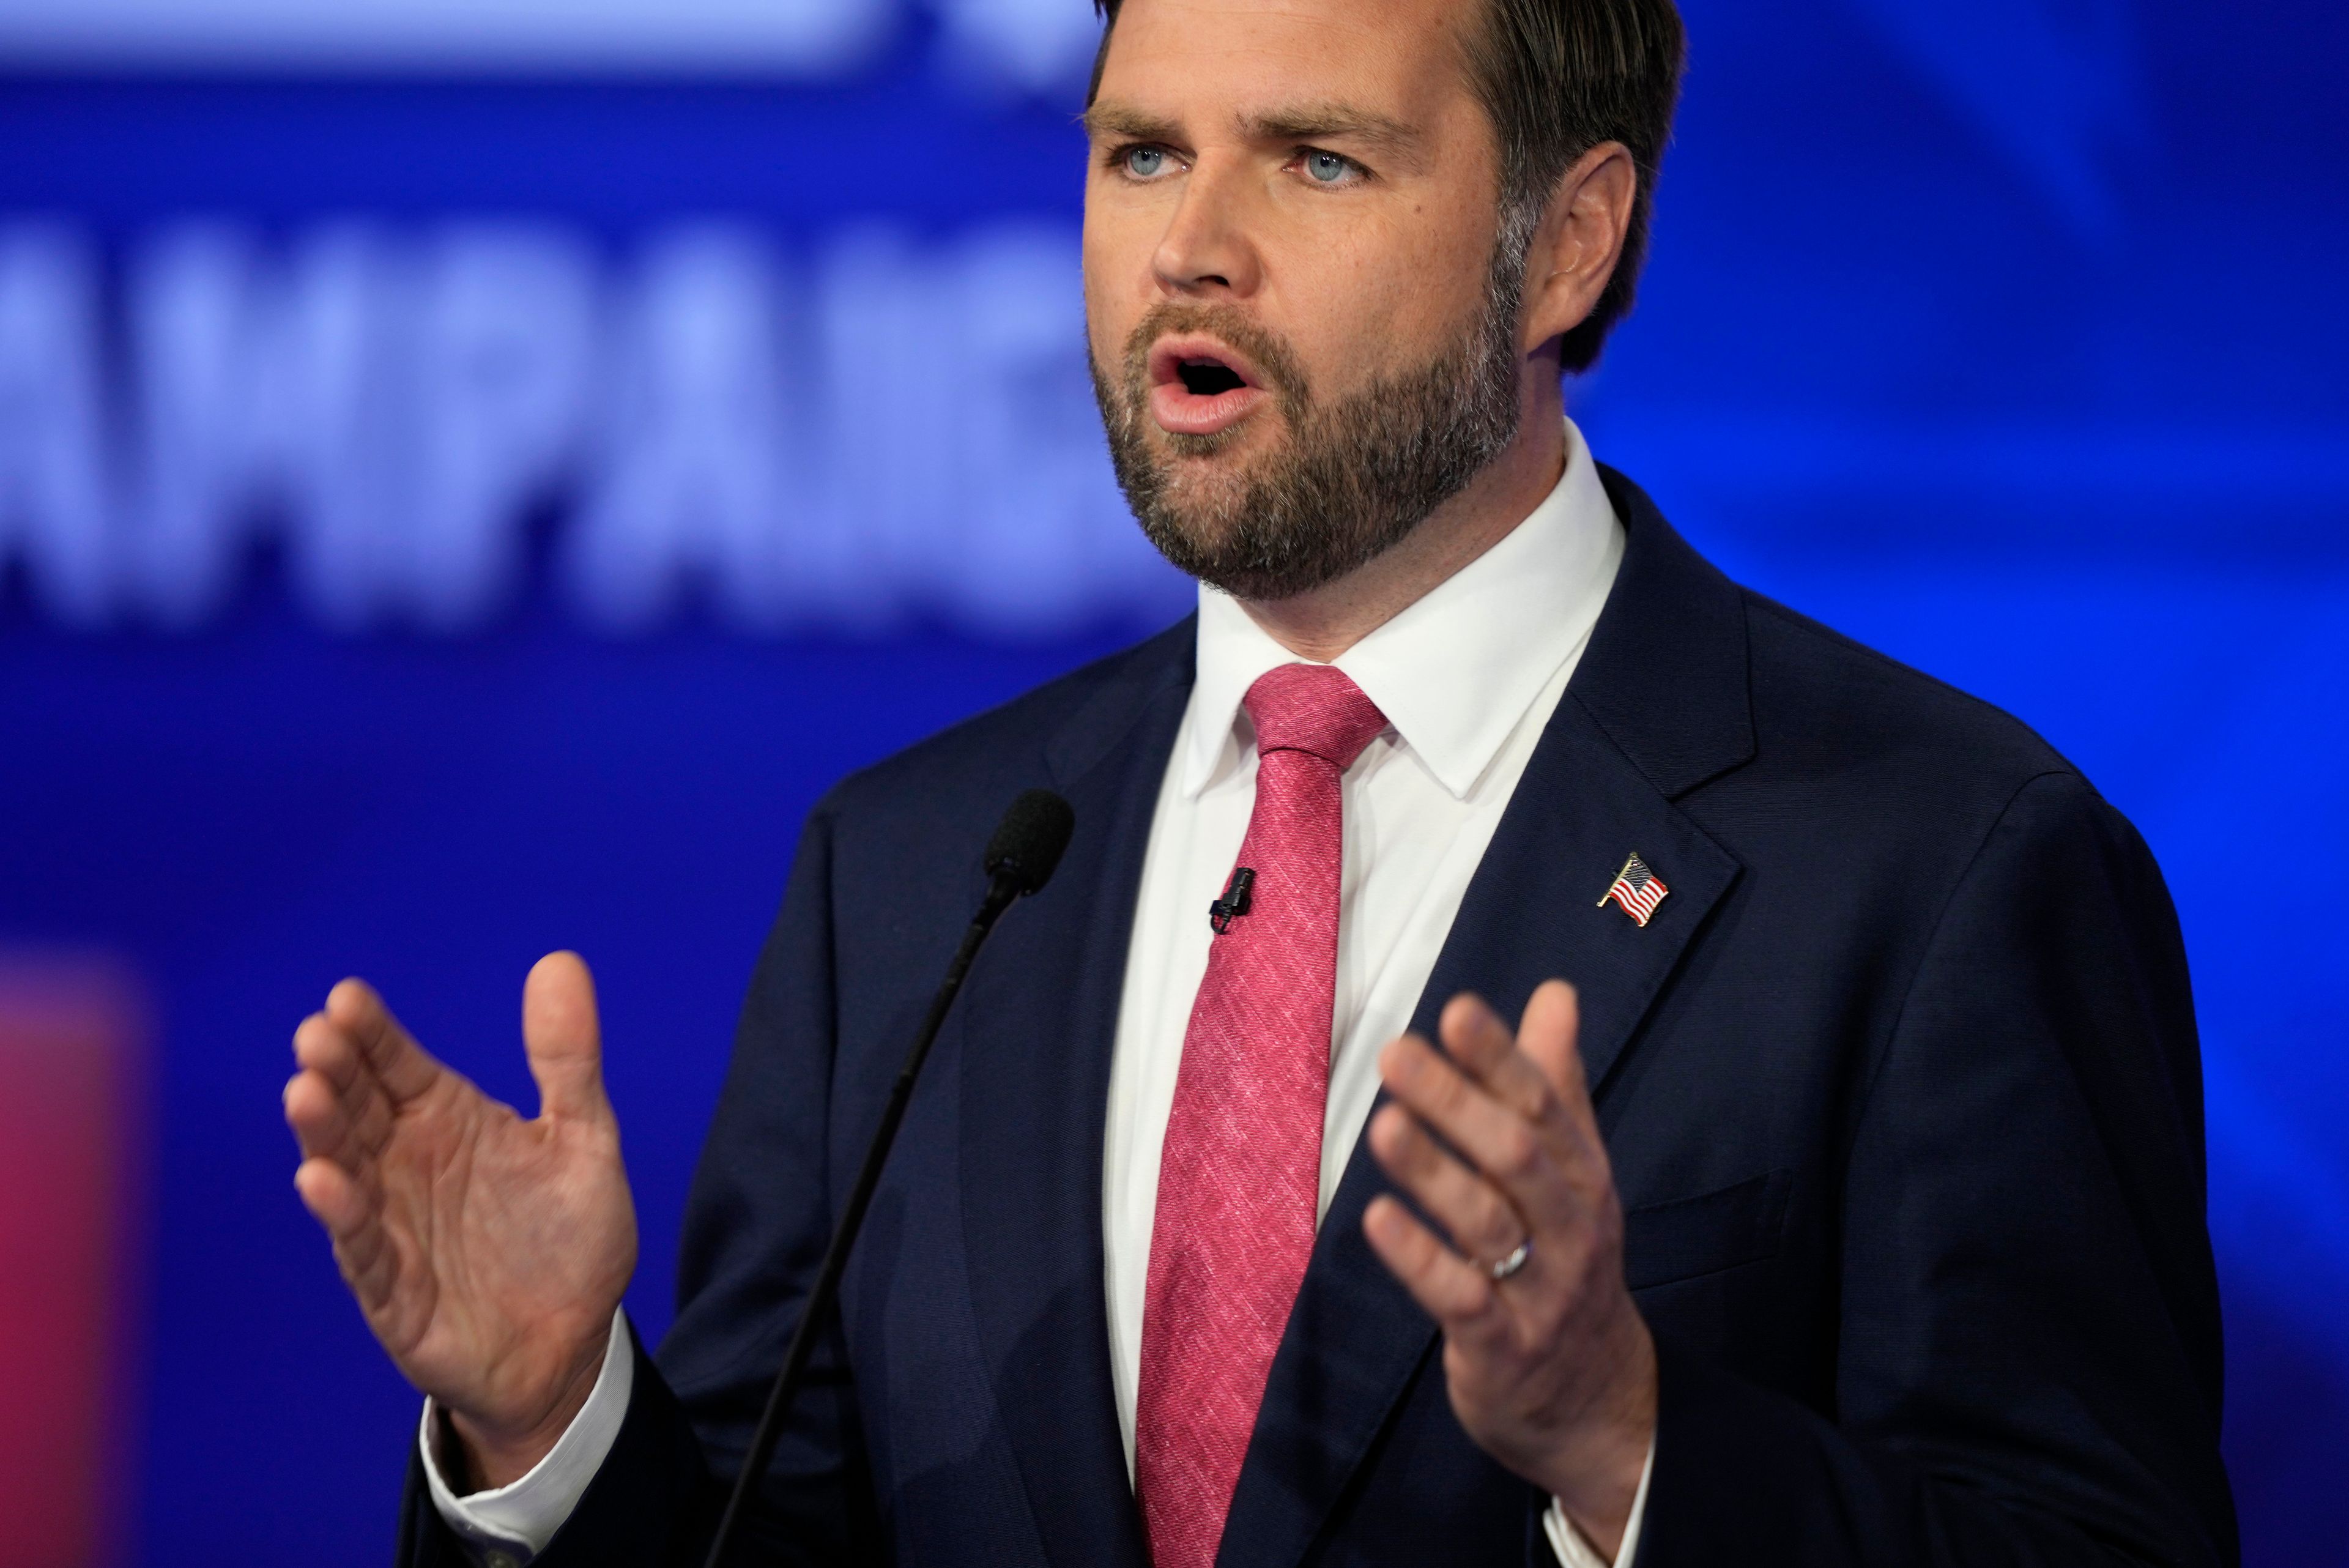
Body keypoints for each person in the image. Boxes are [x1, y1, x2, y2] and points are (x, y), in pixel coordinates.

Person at [281, 0, 2239, 1562]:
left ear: (1567, 238)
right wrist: (552, 1429)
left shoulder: (1942, 866)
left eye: (1316, 159)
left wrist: (1630, 1438)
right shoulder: (914, 873)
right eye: (1141, 153)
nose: (1191, 251)